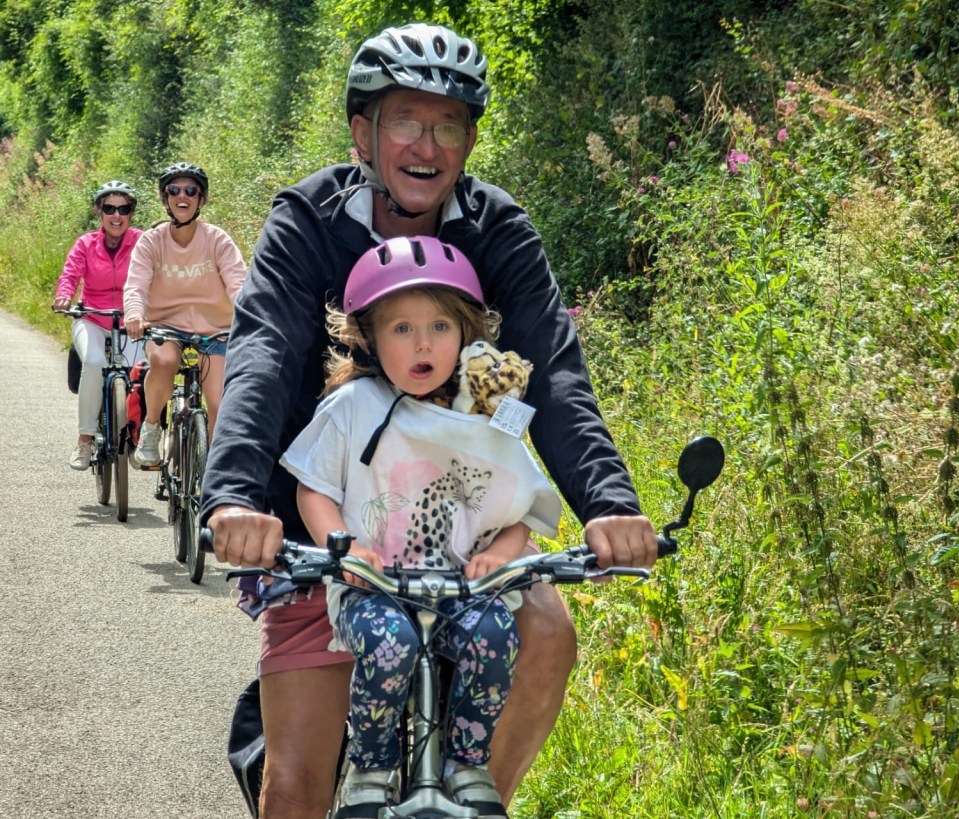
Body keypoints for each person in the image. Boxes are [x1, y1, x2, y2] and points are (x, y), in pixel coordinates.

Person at [201, 22, 657, 819]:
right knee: (296, 788)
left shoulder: (496, 228)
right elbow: (264, 352)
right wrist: (234, 495)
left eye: (449, 126)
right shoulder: (308, 220)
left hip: (461, 534)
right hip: (328, 529)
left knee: (548, 630)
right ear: (362, 133)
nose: (427, 145)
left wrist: (609, 502)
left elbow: (554, 370)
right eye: (406, 120)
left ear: (469, 142)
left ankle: (480, 804)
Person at [277, 235, 561, 818]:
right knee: (390, 643)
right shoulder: (353, 406)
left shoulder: (486, 424)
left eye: (440, 326)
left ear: (467, 335)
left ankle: (467, 762)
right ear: (368, 337)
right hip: (372, 588)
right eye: (401, 328)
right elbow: (314, 487)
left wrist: (503, 554)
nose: (423, 343)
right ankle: (372, 764)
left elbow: (517, 512)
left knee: (494, 636)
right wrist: (343, 548)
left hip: (463, 589)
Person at [123, 162, 247, 465]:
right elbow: (136, 285)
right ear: (165, 198)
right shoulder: (151, 241)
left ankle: (215, 473)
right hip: (166, 327)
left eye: (191, 191)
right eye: (174, 190)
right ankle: (152, 425)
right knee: (164, 360)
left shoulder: (217, 239)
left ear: (201, 199)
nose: (183, 196)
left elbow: (238, 283)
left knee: (219, 403)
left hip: (215, 330)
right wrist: (135, 314)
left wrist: (249, 312)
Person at [53, 181, 147, 470]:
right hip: (92, 318)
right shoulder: (86, 244)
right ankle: (84, 439)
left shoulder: (143, 242)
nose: (116, 215)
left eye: (124, 209)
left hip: (131, 321)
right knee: (94, 363)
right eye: (110, 208)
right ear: (99, 212)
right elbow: (70, 274)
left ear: (131, 213)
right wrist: (64, 296)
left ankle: (137, 436)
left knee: (140, 372)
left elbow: (156, 273)